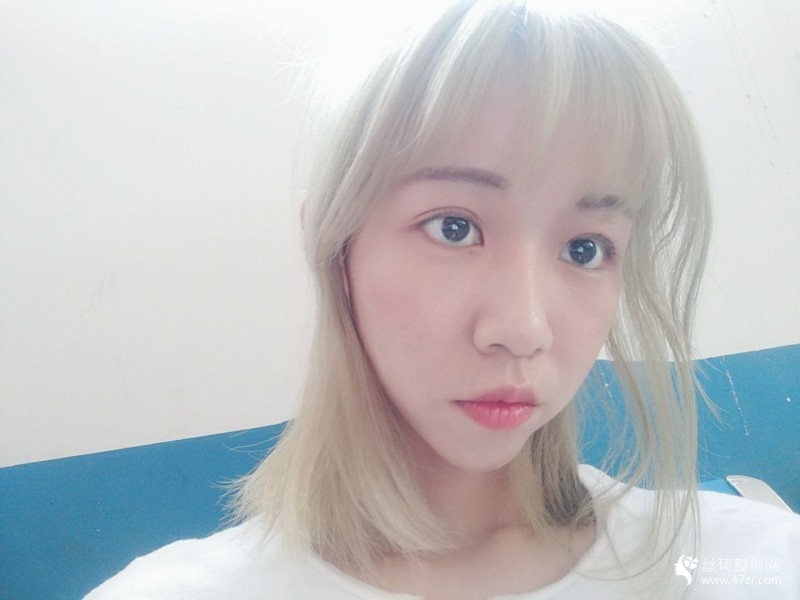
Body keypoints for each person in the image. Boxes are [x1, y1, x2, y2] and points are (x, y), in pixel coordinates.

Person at [86, 1, 799, 598]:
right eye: (454, 228)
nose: (523, 329)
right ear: (335, 248)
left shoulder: (745, 560)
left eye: (585, 248)